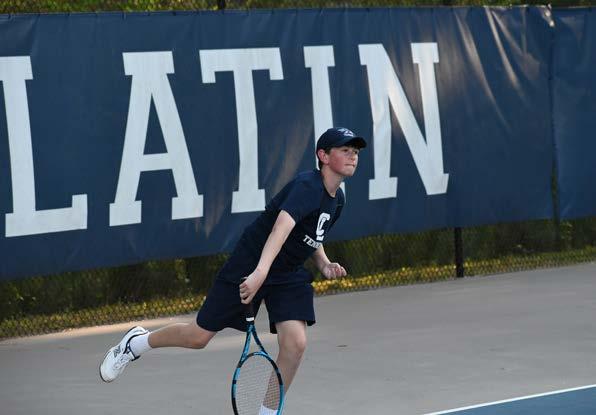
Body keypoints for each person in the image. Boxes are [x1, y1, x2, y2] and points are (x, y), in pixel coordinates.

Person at [99, 127, 366, 413]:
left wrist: (323, 262)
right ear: (323, 156)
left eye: (355, 152)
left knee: (295, 345)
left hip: (287, 273)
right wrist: (259, 272)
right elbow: (280, 228)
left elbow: (310, 233)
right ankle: (136, 344)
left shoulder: (337, 199)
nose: (353, 156)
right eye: (345, 150)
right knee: (198, 337)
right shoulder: (307, 187)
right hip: (251, 262)